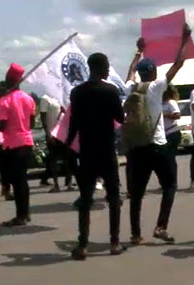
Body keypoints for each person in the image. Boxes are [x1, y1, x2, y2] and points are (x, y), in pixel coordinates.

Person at [124, 23, 192, 245]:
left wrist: (138, 51)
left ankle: (135, 234)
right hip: (158, 145)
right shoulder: (156, 87)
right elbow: (179, 64)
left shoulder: (130, 88)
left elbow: (130, 73)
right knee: (170, 186)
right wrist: (184, 40)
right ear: (153, 72)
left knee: (137, 193)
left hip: (137, 147)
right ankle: (161, 226)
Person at [67, 53, 127, 260]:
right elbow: (120, 117)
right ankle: (115, 242)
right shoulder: (110, 91)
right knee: (113, 196)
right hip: (107, 150)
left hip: (87, 151)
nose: (109, 70)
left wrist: (68, 146)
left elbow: (73, 123)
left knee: (85, 198)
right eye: (108, 66)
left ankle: (82, 245)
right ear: (101, 68)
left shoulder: (77, 92)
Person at [0, 63, 36, 227]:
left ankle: (21, 215)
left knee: (17, 181)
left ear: (7, 80)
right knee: (22, 181)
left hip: (12, 145)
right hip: (27, 141)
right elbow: (32, 123)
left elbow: (1, 126)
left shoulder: (4, 102)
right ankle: (25, 213)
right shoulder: (29, 99)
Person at [40, 95, 75, 193]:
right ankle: (56, 185)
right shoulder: (45, 98)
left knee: (68, 159)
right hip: (52, 133)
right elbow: (43, 117)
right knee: (53, 159)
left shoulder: (62, 97)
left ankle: (69, 183)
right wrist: (47, 133)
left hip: (65, 133)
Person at [162, 85, 182, 155]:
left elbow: (178, 115)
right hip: (164, 133)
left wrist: (166, 114)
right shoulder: (161, 103)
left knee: (170, 156)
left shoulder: (171, 102)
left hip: (172, 132)